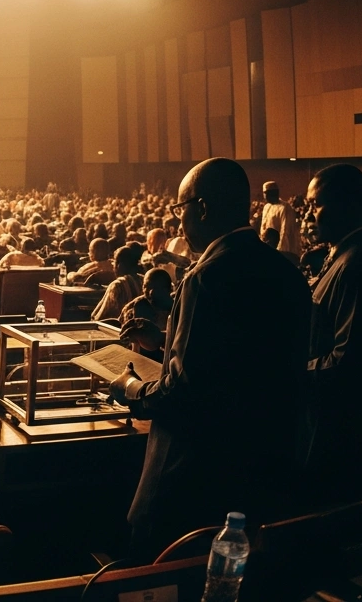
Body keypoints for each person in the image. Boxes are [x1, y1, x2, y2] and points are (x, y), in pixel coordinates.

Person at [110, 158, 310, 555]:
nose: (178, 222)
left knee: (163, 576)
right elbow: (243, 361)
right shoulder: (287, 273)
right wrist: (164, 343)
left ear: (201, 208)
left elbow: (184, 391)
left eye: (180, 209)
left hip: (193, 481)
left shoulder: (206, 277)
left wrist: (131, 388)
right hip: (263, 475)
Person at [300, 165, 362, 503]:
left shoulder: (359, 263)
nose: (309, 214)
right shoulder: (342, 254)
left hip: (343, 432)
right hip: (329, 420)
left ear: (345, 204)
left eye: (316, 204)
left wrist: (290, 371)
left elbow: (348, 362)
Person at [90, 243, 146, 321]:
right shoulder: (144, 280)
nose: (113, 267)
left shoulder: (117, 285)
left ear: (119, 265)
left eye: (114, 263)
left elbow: (99, 316)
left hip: (120, 326)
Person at [259, 181, 301, 256]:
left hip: (280, 249)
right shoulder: (266, 207)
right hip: (268, 248)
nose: (264, 196)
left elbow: (285, 232)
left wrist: (279, 252)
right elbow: (263, 229)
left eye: (266, 193)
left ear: (274, 193)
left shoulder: (285, 208)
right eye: (264, 193)